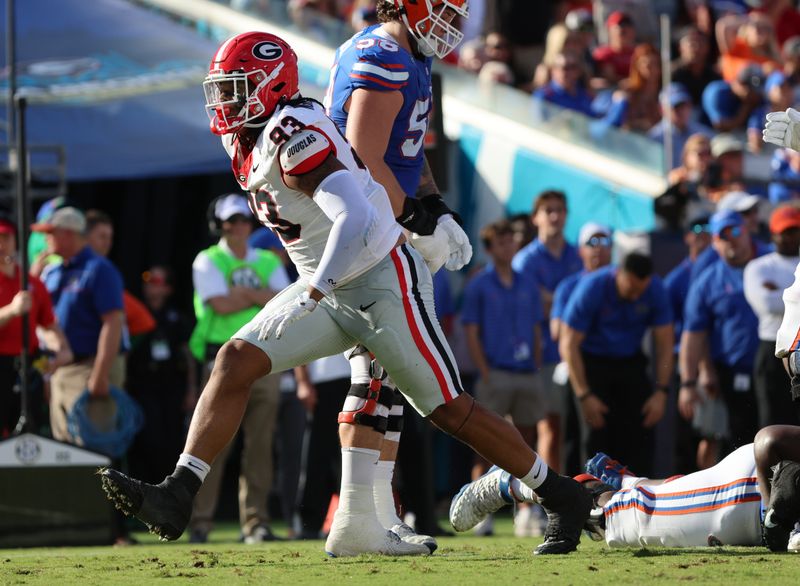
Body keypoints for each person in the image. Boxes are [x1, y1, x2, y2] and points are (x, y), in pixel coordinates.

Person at [100, 30, 591, 557]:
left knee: (449, 410)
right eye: (222, 90)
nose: (225, 103)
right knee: (234, 359)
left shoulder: (295, 135)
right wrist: (320, 286)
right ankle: (179, 492)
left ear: (271, 86)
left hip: (381, 280)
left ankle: (560, 495)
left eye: (237, 89)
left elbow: (353, 216)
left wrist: (317, 285)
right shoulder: (246, 135)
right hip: (329, 287)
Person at [324, 0, 473, 551]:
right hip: (364, 225)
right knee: (376, 369)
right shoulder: (383, 53)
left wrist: (433, 205)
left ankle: (378, 514)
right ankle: (359, 518)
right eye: (446, 12)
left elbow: (405, 147)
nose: (453, 27)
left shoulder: (408, 52)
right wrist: (414, 216)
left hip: (382, 220)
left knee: (384, 373)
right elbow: (364, 157)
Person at [450, 424, 800, 551]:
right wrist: (776, 517)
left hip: (746, 501)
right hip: (746, 498)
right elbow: (769, 440)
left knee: (646, 498)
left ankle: (628, 481)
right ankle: (511, 484)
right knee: (620, 517)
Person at [187, 193, 289, 544]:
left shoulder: (265, 258)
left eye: (244, 220)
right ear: (220, 225)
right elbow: (219, 303)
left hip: (264, 358)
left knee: (260, 446)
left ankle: (256, 522)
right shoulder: (207, 259)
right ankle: (200, 521)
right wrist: (257, 295)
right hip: (223, 362)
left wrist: (241, 295)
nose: (239, 227)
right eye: (231, 221)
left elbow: (283, 302)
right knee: (212, 444)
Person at [461, 219, 545, 536]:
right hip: (494, 373)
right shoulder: (478, 284)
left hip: (525, 373)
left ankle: (527, 511)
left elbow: (537, 328)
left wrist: (535, 364)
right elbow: (470, 331)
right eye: (501, 241)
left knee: (528, 444)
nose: (508, 246)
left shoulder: (527, 282)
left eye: (511, 240)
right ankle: (478, 509)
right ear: (490, 248)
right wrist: (484, 371)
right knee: (484, 443)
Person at [559, 252, 674, 477]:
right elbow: (568, 344)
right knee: (591, 436)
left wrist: (661, 392)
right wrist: (584, 395)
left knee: (640, 433)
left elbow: (665, 343)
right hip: (590, 363)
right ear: (619, 274)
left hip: (630, 363)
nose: (635, 296)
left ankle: (637, 501)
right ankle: (585, 503)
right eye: (631, 289)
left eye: (640, 291)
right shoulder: (592, 287)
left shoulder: (655, 289)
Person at [32, 207, 126, 445]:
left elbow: (113, 323)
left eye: (50, 233)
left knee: (92, 451)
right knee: (63, 449)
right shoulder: (51, 272)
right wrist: (47, 375)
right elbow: (43, 324)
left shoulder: (99, 269)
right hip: (61, 369)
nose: (45, 239)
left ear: (68, 234)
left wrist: (100, 374)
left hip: (91, 367)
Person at [512, 190, 582, 477]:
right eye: (548, 210)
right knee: (544, 428)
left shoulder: (577, 255)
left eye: (560, 210)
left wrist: (552, 298)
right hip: (540, 356)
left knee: (570, 429)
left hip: (575, 356)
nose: (555, 216)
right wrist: (568, 300)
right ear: (536, 217)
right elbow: (528, 302)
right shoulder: (526, 260)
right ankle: (543, 499)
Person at [680, 209, 762, 452]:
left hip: (775, 372)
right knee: (729, 443)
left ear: (746, 231)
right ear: (714, 242)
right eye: (723, 236)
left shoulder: (771, 263)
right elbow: (693, 334)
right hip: (728, 373)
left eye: (735, 231)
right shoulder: (708, 282)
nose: (732, 239)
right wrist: (690, 381)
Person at [0, 211, 71, 437]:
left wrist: (63, 350)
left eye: (6, 238)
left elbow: (49, 324)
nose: (1, 245)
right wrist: (11, 310)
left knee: (29, 430)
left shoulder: (30, 283)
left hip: (27, 365)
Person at [126, 266, 196, 485]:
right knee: (147, 439)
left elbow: (189, 355)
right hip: (142, 387)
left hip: (171, 387)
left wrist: (191, 390)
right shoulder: (135, 312)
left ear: (168, 288)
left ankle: (167, 490)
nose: (152, 286)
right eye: (147, 280)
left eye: (157, 281)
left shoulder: (176, 317)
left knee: (172, 441)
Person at [744, 206, 800, 428]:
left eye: (793, 231)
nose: (788, 237)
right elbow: (766, 304)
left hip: (799, 346)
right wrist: (792, 296)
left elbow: (777, 301)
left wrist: (781, 291)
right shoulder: (759, 267)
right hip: (771, 349)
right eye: (783, 231)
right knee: (772, 421)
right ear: (773, 233)